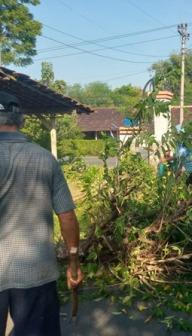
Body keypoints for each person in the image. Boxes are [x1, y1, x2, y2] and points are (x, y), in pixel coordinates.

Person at [0, 94, 83, 336]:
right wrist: (73, 263)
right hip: (35, 272)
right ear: (20, 118)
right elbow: (66, 216)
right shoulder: (46, 159)